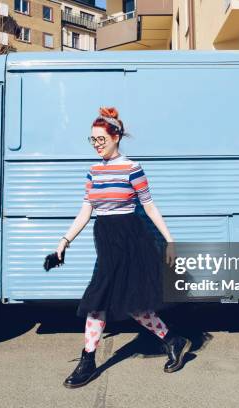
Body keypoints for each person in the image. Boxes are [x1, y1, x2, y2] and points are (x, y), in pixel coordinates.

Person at [56, 107, 192, 389]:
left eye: (100, 140)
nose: (96, 145)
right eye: (92, 140)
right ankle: (171, 340)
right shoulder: (93, 171)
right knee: (112, 301)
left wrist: (169, 240)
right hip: (105, 239)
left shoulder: (132, 168)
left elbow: (150, 207)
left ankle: (89, 360)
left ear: (115, 136)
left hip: (130, 239)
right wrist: (65, 239)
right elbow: (86, 209)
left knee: (113, 301)